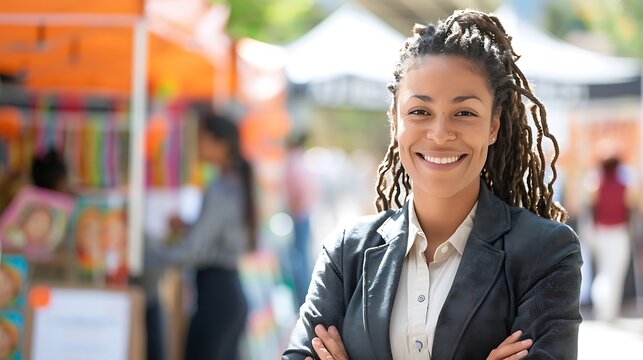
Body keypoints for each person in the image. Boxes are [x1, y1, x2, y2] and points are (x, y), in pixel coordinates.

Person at [283, 9, 582, 360]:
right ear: (394, 120)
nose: (440, 134)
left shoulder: (547, 253)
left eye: (465, 112)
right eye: (420, 112)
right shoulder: (346, 252)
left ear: (493, 125)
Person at [146, 109, 257, 360]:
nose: (195, 145)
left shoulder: (222, 189)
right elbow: (219, 237)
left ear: (221, 144)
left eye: (201, 138)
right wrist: (188, 227)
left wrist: (145, 251)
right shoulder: (232, 184)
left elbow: (192, 252)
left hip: (216, 298)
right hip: (225, 295)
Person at [586, 147, 635, 322]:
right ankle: (609, 311)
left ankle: (603, 310)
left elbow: (592, 208)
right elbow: (630, 208)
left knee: (604, 271)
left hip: (601, 231)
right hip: (618, 232)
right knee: (615, 272)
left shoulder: (596, 185)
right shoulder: (624, 186)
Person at [285, 132, 314, 306]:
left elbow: (298, 194)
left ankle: (301, 297)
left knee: (299, 258)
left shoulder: (294, 163)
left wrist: (294, 211)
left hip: (299, 215)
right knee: (302, 255)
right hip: (304, 214)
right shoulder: (302, 162)